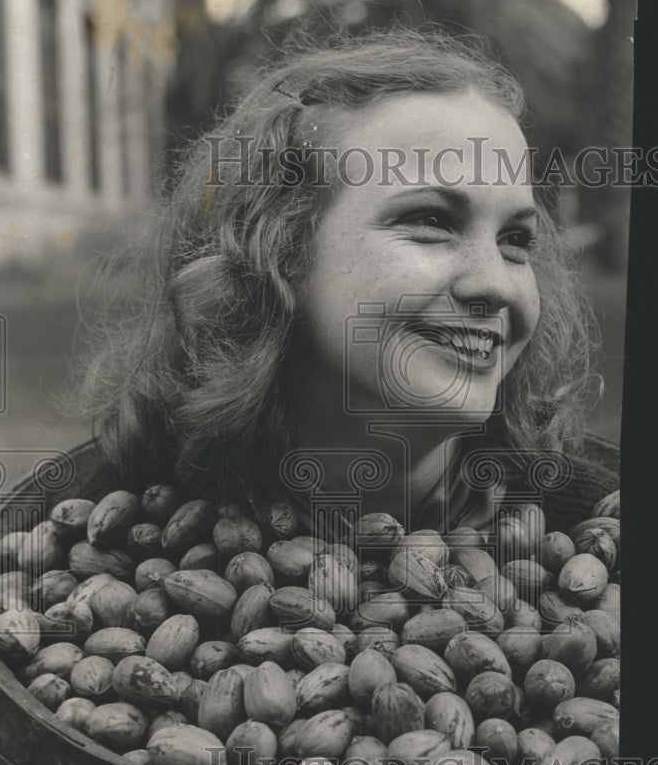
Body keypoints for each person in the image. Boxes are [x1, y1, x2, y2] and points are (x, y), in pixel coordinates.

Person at [75, 29, 618, 540]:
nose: (495, 284)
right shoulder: (104, 537)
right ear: (278, 251)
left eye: (515, 240)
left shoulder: (598, 524)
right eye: (431, 222)